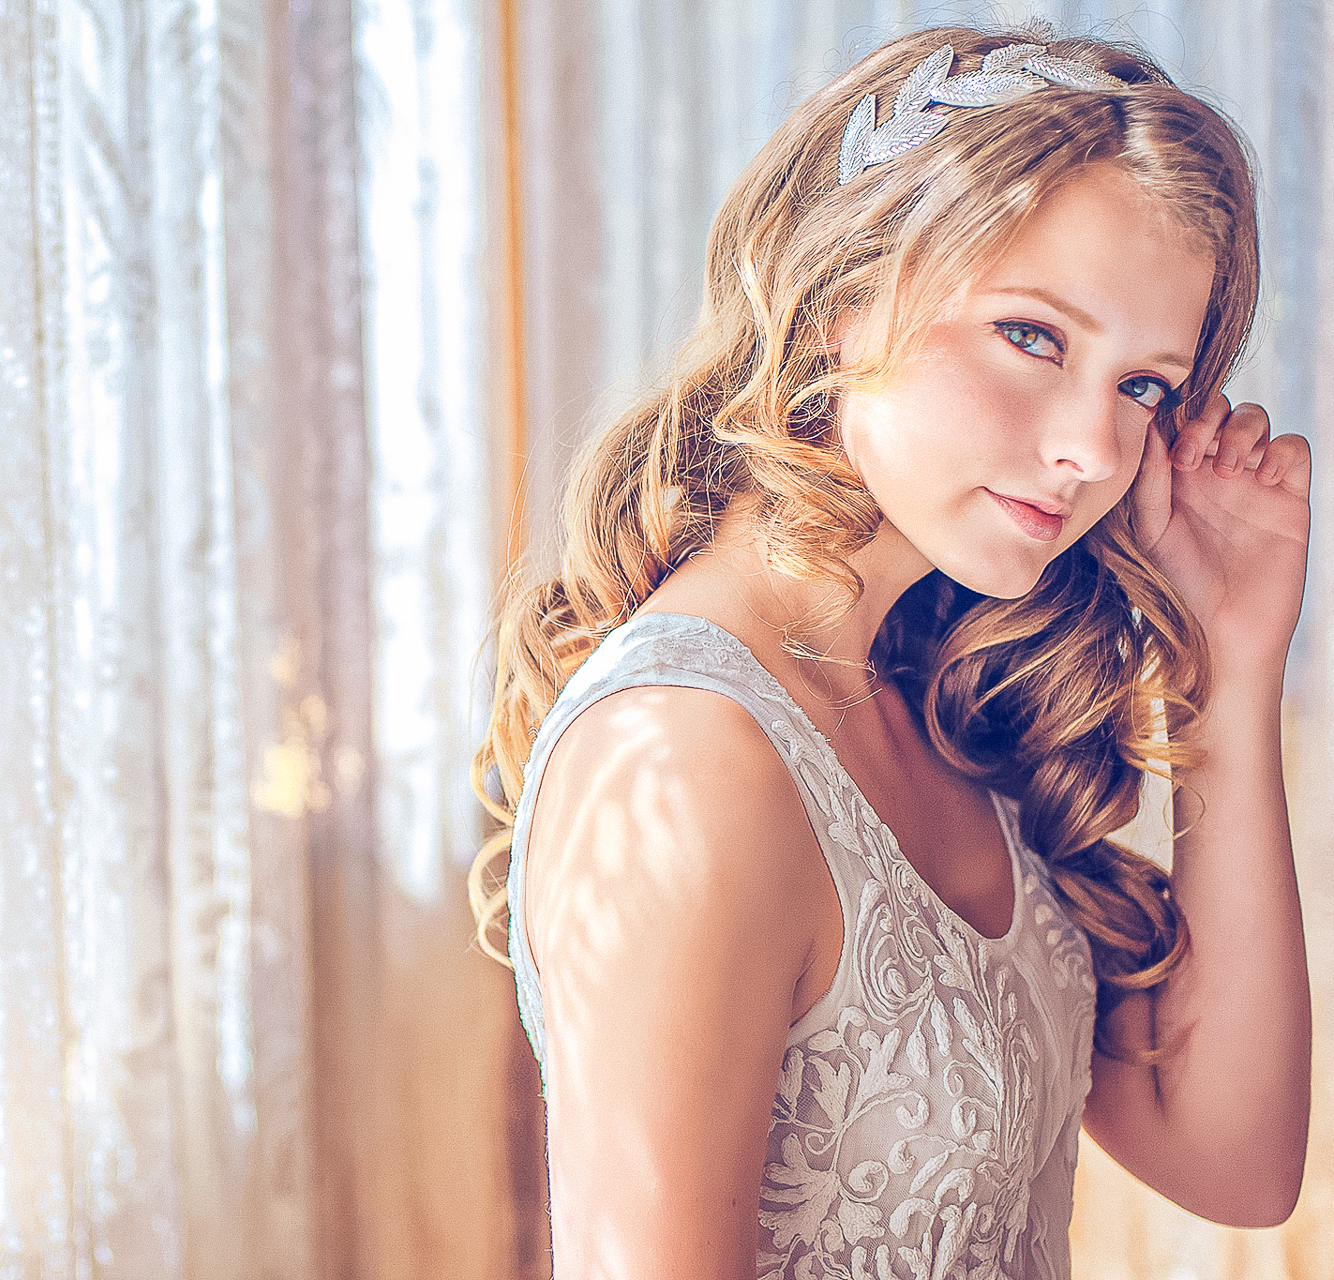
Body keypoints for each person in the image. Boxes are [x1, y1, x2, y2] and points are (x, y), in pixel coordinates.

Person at [469, 21, 1314, 1280]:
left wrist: (1232, 672)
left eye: (1142, 385)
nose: (1090, 444)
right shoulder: (688, 755)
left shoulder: (942, 698)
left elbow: (1236, 1159)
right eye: (1032, 336)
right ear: (836, 298)